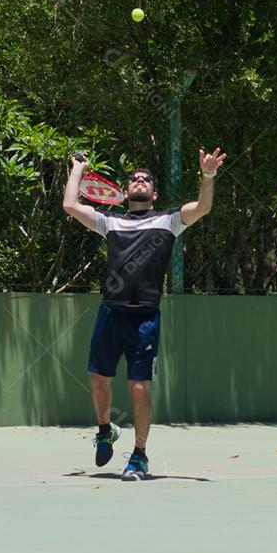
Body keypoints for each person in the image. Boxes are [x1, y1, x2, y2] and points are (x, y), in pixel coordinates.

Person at [62, 148, 226, 480]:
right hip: (111, 313)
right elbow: (70, 205)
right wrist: (78, 169)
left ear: (154, 193)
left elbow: (204, 207)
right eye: (133, 178)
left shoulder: (169, 220)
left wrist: (207, 176)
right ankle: (105, 430)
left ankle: (139, 456)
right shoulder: (111, 222)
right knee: (98, 380)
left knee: (139, 387)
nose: (139, 180)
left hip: (145, 318)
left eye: (146, 178)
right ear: (125, 192)